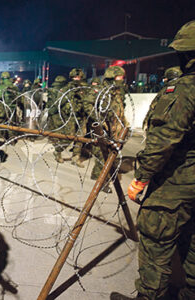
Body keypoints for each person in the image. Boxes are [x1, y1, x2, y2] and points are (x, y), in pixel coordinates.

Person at [111, 20, 195, 300]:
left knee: (156, 244)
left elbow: (164, 138)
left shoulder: (185, 89)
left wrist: (141, 176)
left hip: (177, 183)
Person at [90, 65, 128, 190]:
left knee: (112, 153)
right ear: (112, 78)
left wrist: (124, 123)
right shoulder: (102, 91)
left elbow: (120, 108)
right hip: (104, 127)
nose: (121, 79)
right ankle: (101, 182)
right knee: (103, 155)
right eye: (119, 77)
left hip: (116, 127)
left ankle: (103, 176)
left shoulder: (118, 91)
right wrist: (100, 123)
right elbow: (90, 106)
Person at [142, 66, 182, 131]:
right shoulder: (185, 90)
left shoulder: (167, 90)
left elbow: (154, 107)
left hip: (165, 128)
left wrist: (146, 122)